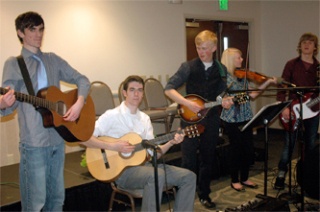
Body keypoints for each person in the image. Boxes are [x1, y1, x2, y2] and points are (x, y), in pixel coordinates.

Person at [0, 11, 91, 211]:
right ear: (20, 33)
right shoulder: (14, 64)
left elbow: (83, 79)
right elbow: (8, 104)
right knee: (35, 204)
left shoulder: (53, 59)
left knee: (57, 201)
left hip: (57, 139)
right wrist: (3, 103)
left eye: (41, 29)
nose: (38, 34)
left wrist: (79, 103)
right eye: (32, 29)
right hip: (34, 143)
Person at [82, 75, 196, 211]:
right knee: (156, 175)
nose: (136, 94)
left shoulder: (145, 119)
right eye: (132, 90)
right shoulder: (111, 115)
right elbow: (84, 138)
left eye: (140, 90)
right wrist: (113, 146)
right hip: (122, 173)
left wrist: (171, 142)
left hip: (146, 166)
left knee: (188, 177)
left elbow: (155, 154)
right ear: (124, 93)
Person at [164, 30, 233, 209]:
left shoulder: (222, 69)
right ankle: (184, 197)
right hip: (190, 119)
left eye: (204, 48)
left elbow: (222, 95)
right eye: (198, 48)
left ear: (214, 48)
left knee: (207, 158)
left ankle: (204, 194)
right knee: (188, 160)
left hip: (211, 120)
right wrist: (186, 102)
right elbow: (169, 88)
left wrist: (225, 102)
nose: (201, 52)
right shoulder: (188, 66)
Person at [220, 48, 277, 192]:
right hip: (232, 119)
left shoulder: (242, 76)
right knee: (236, 150)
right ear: (230, 60)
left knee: (248, 149)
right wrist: (242, 96)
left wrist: (267, 83)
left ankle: (244, 178)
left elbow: (253, 95)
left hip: (246, 116)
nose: (242, 60)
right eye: (238, 58)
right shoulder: (224, 78)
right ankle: (234, 180)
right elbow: (230, 100)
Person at [274, 33, 320, 190]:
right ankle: (281, 175)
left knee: (310, 145)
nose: (307, 45)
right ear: (300, 46)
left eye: (310, 43)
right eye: (304, 42)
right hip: (292, 109)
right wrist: (283, 106)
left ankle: (306, 177)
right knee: (289, 145)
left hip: (313, 112)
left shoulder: (318, 68)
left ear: (315, 47)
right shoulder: (291, 64)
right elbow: (282, 87)